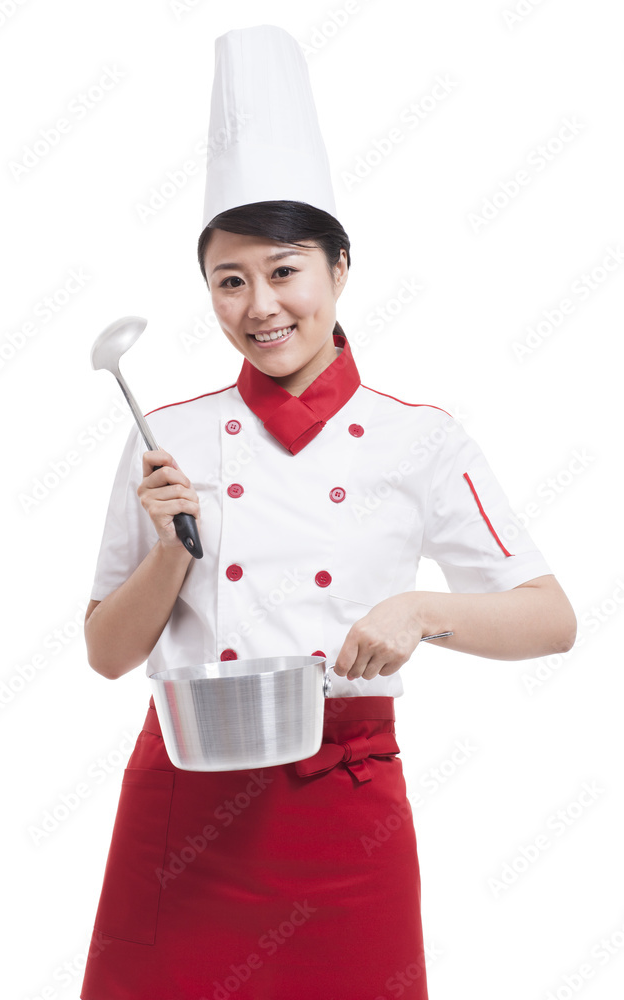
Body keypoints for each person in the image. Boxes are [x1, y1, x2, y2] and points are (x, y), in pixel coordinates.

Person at [80, 26, 577, 1000]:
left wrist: (421, 610)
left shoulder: (417, 438)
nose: (259, 305)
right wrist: (173, 554)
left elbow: (550, 617)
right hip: (186, 804)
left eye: (284, 270)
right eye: (230, 280)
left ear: (339, 269)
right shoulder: (164, 438)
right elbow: (106, 653)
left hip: (343, 809)